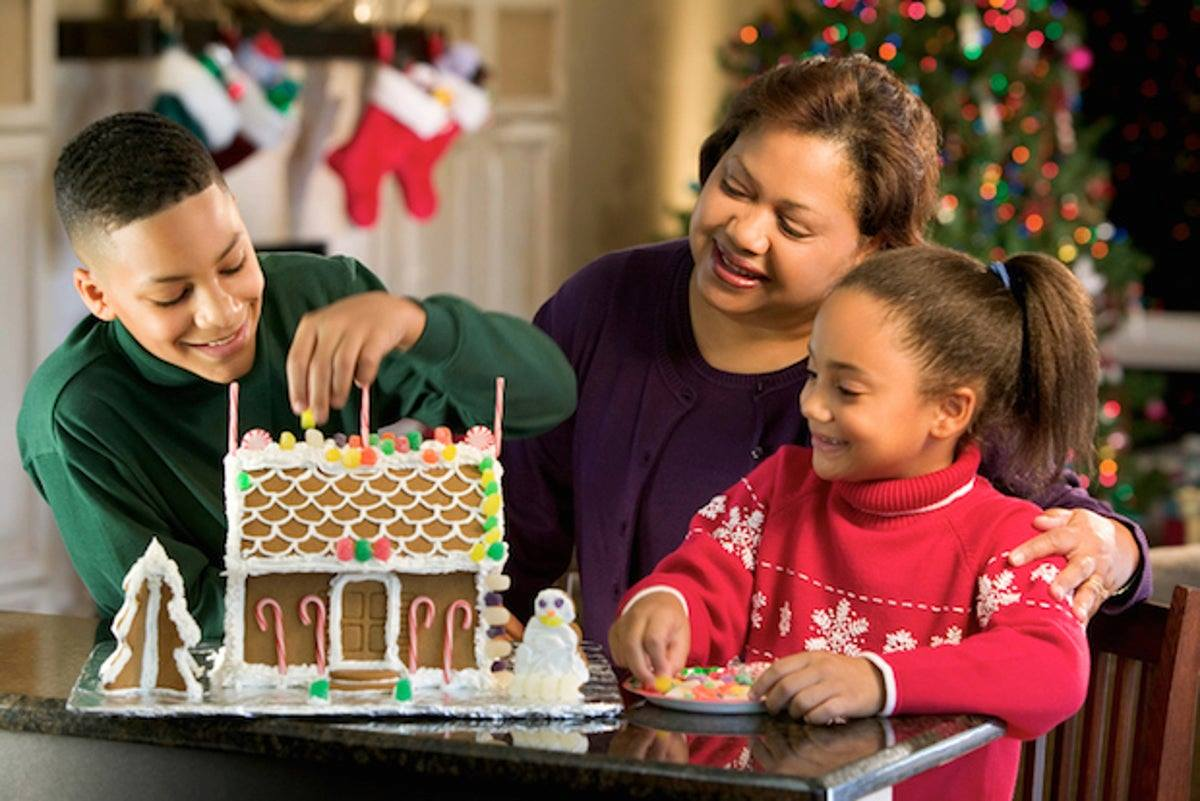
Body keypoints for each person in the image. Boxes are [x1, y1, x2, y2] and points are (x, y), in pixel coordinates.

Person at [501, 55, 1149, 641]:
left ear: (874, 248)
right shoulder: (605, 302)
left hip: (836, 754)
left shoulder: (919, 356)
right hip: (629, 748)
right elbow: (511, 553)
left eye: (792, 223)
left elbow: (1073, 523)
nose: (744, 231)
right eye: (735, 186)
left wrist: (1113, 547)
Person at [17, 111, 576, 638]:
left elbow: (545, 397)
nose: (223, 312)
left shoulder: (324, 296)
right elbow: (176, 611)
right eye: (172, 295)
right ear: (98, 295)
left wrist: (415, 323)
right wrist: (412, 618)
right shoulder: (73, 415)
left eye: (234, 263)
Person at [609, 244, 1094, 801]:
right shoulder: (778, 490)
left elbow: (1051, 668)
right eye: (813, 374)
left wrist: (878, 681)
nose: (812, 405)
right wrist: (666, 605)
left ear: (950, 411)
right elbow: (704, 579)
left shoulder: (1006, 539)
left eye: (847, 389)